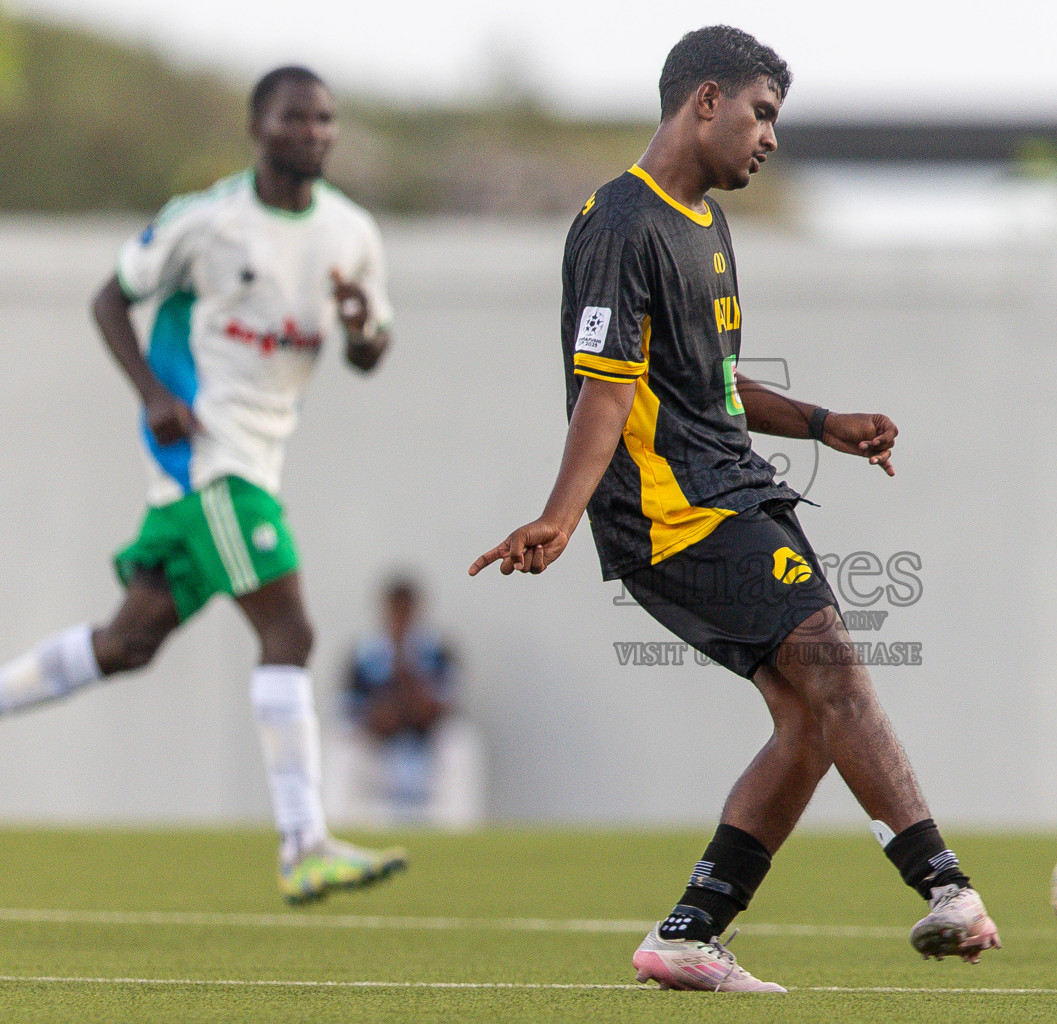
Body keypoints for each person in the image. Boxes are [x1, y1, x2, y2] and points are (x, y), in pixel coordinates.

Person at [469, 25, 1000, 992]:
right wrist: (558, 514)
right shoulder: (617, 224)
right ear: (704, 100)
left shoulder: (704, 227)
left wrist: (821, 421)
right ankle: (945, 886)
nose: (770, 138)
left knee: (807, 719)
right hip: (671, 514)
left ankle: (688, 934)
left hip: (734, 488)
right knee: (835, 665)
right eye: (762, 114)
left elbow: (705, 381)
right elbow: (607, 389)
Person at [0, 65, 406, 904]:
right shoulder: (207, 222)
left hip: (255, 461)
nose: (316, 133)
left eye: (327, 119)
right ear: (258, 128)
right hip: (211, 462)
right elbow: (110, 300)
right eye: (297, 119)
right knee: (289, 632)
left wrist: (364, 332)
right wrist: (153, 394)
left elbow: (370, 351)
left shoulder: (351, 233)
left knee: (127, 644)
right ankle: (305, 843)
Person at [346, 577, 457, 817]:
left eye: (407, 610)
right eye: (395, 611)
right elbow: (350, 711)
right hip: (378, 754)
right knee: (343, 751)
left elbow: (442, 708)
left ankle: (459, 833)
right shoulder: (364, 654)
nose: (401, 618)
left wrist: (404, 663)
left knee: (462, 744)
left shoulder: (437, 651)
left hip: (427, 751)